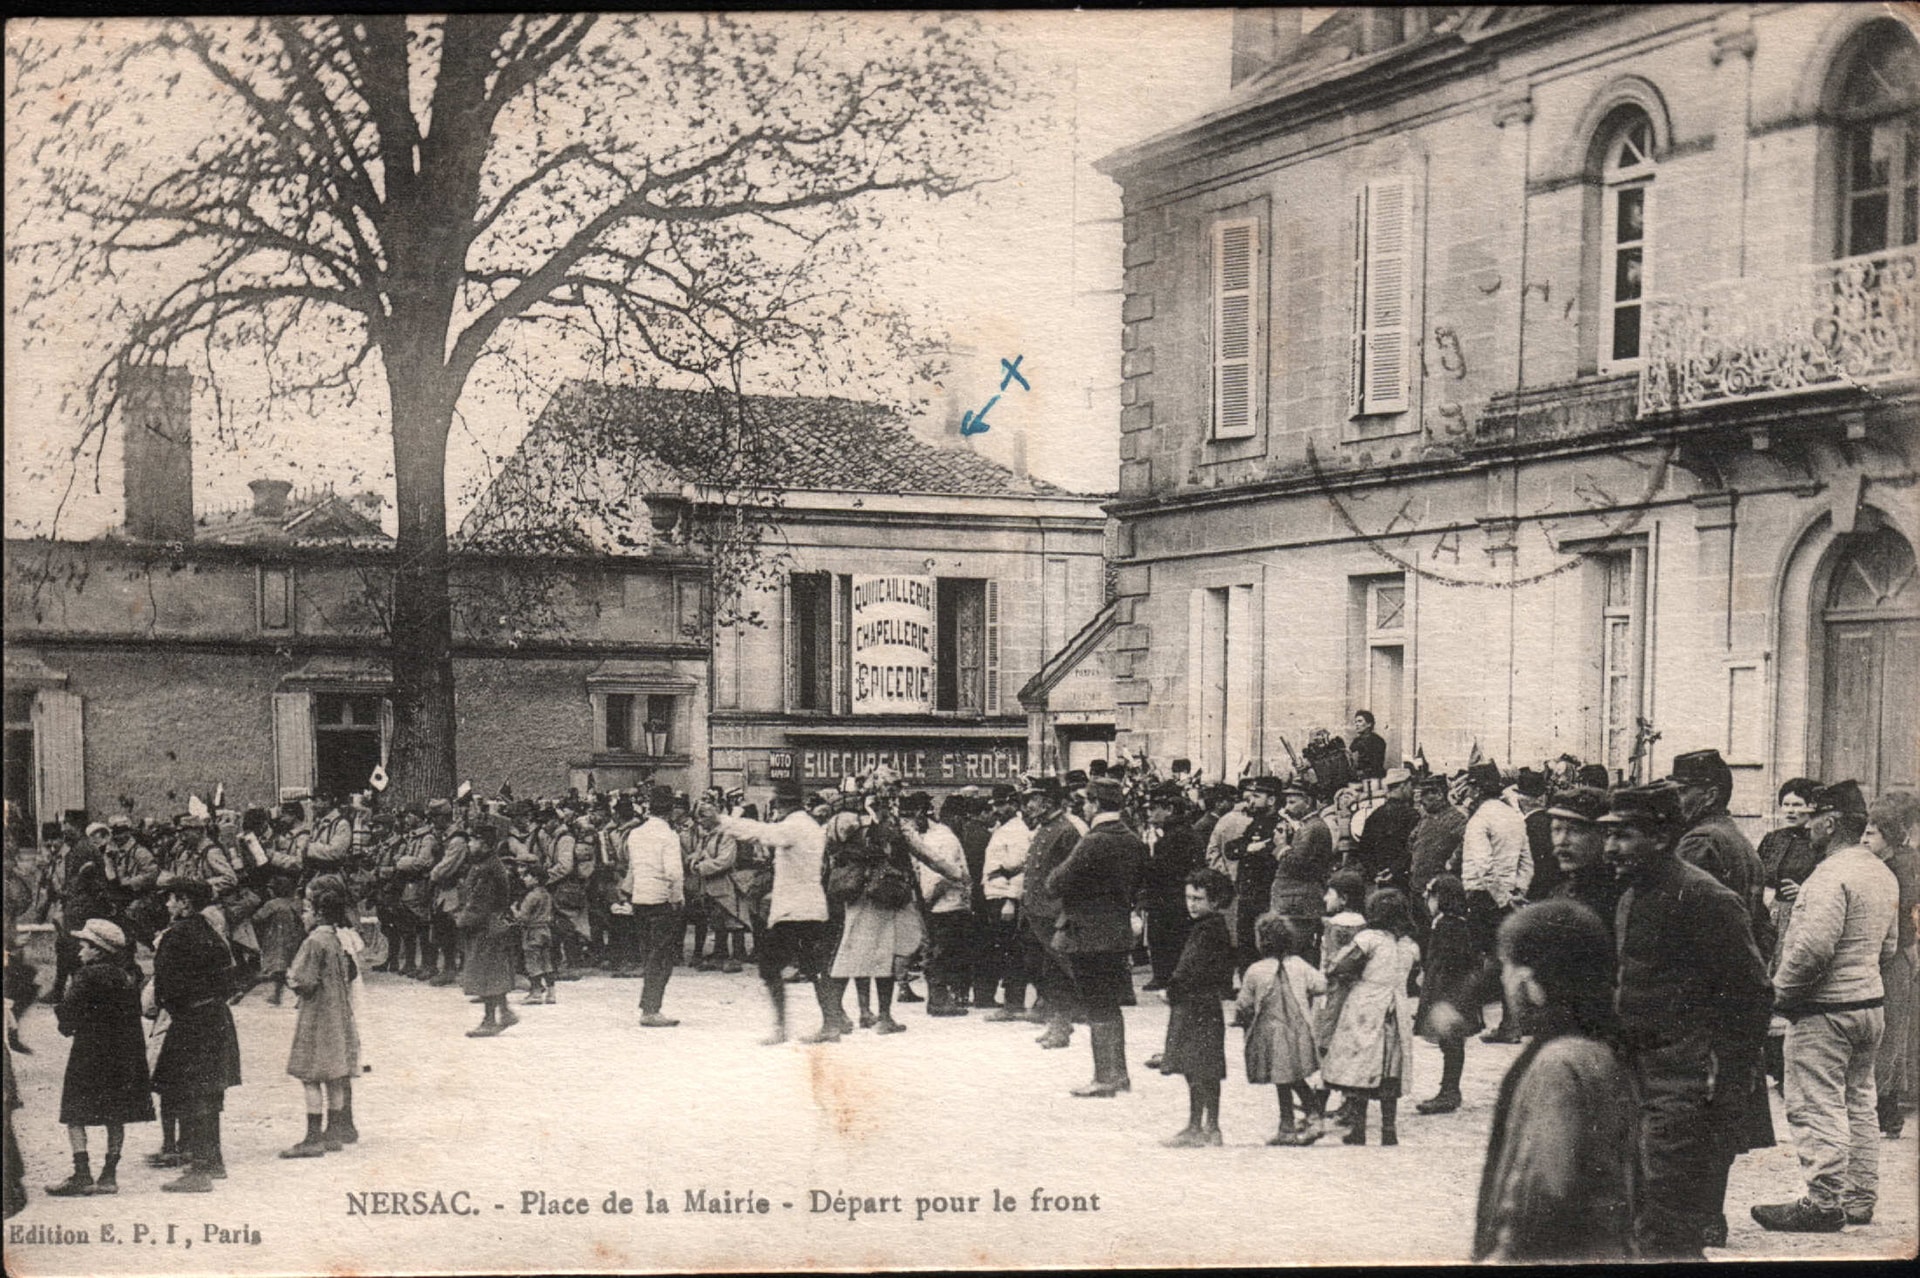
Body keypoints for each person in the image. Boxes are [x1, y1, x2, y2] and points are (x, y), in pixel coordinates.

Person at [1604, 782, 1773, 1257]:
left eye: (1624, 835)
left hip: (1684, 1084)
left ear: (1661, 837)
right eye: (1608, 834)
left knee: (1668, 1226)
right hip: (1637, 1079)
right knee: (1634, 1218)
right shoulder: (1632, 896)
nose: (1610, 848)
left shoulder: (1703, 897)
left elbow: (1751, 994)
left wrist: (1722, 1077)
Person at [1751, 780, 1899, 1232]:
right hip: (1868, 1005)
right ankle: (1858, 1199)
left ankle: (1822, 1203)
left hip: (1824, 1012)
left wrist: (1780, 996)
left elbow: (1812, 949)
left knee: (1817, 1106)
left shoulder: (1829, 875)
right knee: (1859, 1102)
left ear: (1831, 822)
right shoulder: (1879, 872)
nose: (1808, 826)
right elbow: (1888, 947)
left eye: (1814, 818)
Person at [1470, 899, 1635, 1263]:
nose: (1502, 979)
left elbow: (1543, 1183)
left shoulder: (1557, 1064)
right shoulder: (1603, 1048)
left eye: (1506, 967)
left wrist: (1504, 1251)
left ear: (1532, 983)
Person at [1047, 776, 1146, 1097]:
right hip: (1116, 931)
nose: (1085, 808)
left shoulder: (1094, 840)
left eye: (1086, 803)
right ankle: (1119, 1074)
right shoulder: (1132, 839)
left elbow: (1057, 882)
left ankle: (1105, 1077)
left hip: (1087, 934)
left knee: (1096, 1005)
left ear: (1095, 803)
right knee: (1110, 1004)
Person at [717, 780, 834, 1044]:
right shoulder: (810, 825)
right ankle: (831, 1022)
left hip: (792, 913)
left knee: (769, 967)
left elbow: (762, 833)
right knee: (816, 970)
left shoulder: (793, 826)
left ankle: (782, 1027)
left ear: (782, 805)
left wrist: (723, 821)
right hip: (812, 909)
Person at [148, 876, 242, 1193]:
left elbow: (164, 990)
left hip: (190, 1021)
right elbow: (231, 981)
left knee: (190, 1092)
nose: (167, 904)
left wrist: (177, 1008)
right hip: (217, 1017)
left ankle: (198, 1170)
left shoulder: (176, 936)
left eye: (172, 898)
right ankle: (213, 1161)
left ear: (185, 902)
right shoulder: (211, 932)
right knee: (211, 1093)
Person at [45, 920, 152, 1196]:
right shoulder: (129, 976)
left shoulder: (85, 977)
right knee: (115, 1115)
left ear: (97, 950)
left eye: (84, 946)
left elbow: (67, 1021)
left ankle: (82, 1174)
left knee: (75, 1113)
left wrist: (61, 1009)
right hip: (124, 1054)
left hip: (90, 1053)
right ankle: (109, 1175)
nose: (79, 952)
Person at [1321, 888, 1419, 1146]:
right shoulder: (1409, 945)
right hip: (1397, 1007)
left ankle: (1358, 1130)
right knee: (1390, 1068)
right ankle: (1389, 1130)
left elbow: (1340, 965)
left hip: (1367, 1005)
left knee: (1362, 1064)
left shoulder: (1369, 939)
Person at [279, 886, 361, 1158]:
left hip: (317, 1016)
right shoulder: (336, 939)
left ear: (318, 913)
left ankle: (312, 1138)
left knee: (310, 1076)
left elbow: (305, 980)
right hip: (338, 1014)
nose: (303, 916)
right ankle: (333, 1133)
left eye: (306, 910)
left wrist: (289, 978)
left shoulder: (313, 941)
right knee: (335, 1077)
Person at [1157, 868, 1236, 1147]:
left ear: (1214, 901)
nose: (1191, 904)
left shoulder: (1205, 930)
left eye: (1198, 898)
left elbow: (1189, 966)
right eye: (1189, 897)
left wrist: (1172, 990)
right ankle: (1210, 1126)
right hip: (1207, 1004)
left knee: (1196, 1066)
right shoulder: (1215, 927)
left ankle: (1197, 1126)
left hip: (1193, 1004)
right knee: (1206, 1066)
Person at [1235, 912, 1325, 1145]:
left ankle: (1296, 1121)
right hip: (1298, 1030)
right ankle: (1305, 1116)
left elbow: (1243, 1004)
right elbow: (1321, 984)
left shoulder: (1255, 970)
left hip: (1270, 1033)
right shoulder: (1298, 965)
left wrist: (1241, 1019)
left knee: (1282, 1080)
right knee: (1292, 1077)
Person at [1669, 748, 1770, 952]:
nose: (1674, 800)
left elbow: (1672, 917)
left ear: (1710, 796)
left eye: (1682, 791)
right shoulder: (1734, 836)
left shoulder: (1701, 841)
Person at [1459, 762, 1530, 1044]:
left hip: (1482, 897)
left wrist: (1501, 899)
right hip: (1510, 895)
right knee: (1506, 960)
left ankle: (1471, 1018)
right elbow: (1527, 861)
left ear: (1476, 789)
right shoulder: (1515, 816)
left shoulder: (1479, 820)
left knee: (1480, 959)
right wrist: (1516, 892)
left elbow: (1483, 866)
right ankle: (1510, 1024)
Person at [1866, 793, 1918, 1138]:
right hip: (1894, 955)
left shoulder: (1902, 866)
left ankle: (1887, 1110)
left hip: (1895, 956)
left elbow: (1905, 913)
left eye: (1872, 832)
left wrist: (1909, 950)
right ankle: (1889, 1111)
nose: (1864, 839)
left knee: (1890, 1035)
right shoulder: (1891, 862)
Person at [1018, 779, 1082, 1048]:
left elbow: (1072, 876)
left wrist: (1063, 914)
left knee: (1060, 971)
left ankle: (1063, 1023)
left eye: (1033, 798)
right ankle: (1057, 1021)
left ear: (1048, 801)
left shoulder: (1066, 831)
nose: (1029, 804)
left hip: (1053, 914)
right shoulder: (1045, 828)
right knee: (1044, 970)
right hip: (1036, 913)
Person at [1412, 874, 1480, 1115]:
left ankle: (1449, 1091)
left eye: (1431, 896)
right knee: (1449, 1043)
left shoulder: (1448, 925)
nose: (1426, 900)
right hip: (1445, 989)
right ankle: (1449, 1088)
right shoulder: (1450, 923)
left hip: (1449, 992)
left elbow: (1452, 960)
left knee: (1451, 1043)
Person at [625, 786, 687, 1028]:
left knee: (648, 953)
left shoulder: (635, 834)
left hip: (640, 898)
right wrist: (677, 898)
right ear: (670, 811)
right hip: (662, 900)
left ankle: (648, 1006)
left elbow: (633, 868)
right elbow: (674, 873)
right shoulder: (669, 836)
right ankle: (651, 1009)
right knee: (662, 957)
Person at [456, 822, 519, 1038]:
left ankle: (490, 1020)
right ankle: (505, 1012)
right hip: (490, 925)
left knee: (486, 973)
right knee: (493, 972)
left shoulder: (488, 869)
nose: (469, 844)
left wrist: (462, 921)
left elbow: (479, 902)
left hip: (486, 927)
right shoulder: (487, 864)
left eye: (473, 840)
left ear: (483, 843)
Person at [1140, 782, 1202, 992]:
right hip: (1173, 895)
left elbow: (1164, 867)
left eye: (1153, 808)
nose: (1149, 813)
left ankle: (1165, 976)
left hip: (1169, 896)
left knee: (1165, 935)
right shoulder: (1178, 832)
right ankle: (1166, 975)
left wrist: (1147, 854)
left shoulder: (1175, 835)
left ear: (1169, 810)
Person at [979, 784, 1031, 1020]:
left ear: (1013, 803)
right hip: (995, 895)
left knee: (1012, 951)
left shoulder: (1018, 830)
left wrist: (1011, 900)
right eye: (995, 805)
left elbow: (1020, 869)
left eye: (1002, 804)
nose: (997, 809)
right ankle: (1012, 1001)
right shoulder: (1003, 829)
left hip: (1005, 898)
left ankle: (1013, 1003)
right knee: (1005, 950)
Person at [1544, 786, 1622, 938]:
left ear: (1604, 836)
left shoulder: (1617, 898)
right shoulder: (1561, 891)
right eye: (1556, 830)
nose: (1561, 841)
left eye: (1575, 831)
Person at [1225, 777, 1282, 972]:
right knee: (1245, 944)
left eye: (1257, 796)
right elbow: (1231, 848)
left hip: (1264, 893)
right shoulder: (1255, 823)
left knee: (1263, 945)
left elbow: (1272, 853)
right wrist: (1250, 847)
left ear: (1271, 800)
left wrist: (1249, 848)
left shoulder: (1279, 825)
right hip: (1248, 893)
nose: (1251, 800)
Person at [1406, 774, 1467, 935]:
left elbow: (1465, 844)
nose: (1421, 800)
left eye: (1425, 794)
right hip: (1417, 887)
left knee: (1439, 932)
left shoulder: (1457, 819)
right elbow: (1412, 840)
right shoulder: (1425, 819)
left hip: (1439, 891)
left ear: (1439, 794)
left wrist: (1450, 865)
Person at [1353, 768, 1418, 890]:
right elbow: (1414, 849)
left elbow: (1363, 850)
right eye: (1410, 785)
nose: (1412, 790)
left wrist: (1375, 873)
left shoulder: (1375, 815)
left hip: (1380, 882)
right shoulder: (1412, 815)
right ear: (1403, 786)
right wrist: (1394, 870)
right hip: (1403, 881)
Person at [512, 862, 556, 1005]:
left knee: (533, 962)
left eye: (527, 876)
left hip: (532, 932)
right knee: (547, 962)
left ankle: (536, 993)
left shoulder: (531, 896)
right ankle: (551, 994)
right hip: (545, 931)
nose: (524, 879)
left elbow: (523, 917)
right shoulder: (547, 894)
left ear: (535, 879)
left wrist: (514, 910)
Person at [1348, 711, 1386, 783]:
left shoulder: (1377, 741)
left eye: (1360, 721)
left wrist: (1361, 772)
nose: (1356, 724)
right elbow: (1350, 757)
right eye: (1355, 722)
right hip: (1357, 778)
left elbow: (1377, 765)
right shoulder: (1356, 741)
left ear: (1369, 724)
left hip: (1374, 778)